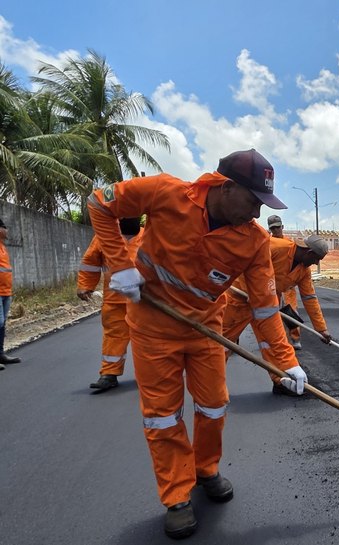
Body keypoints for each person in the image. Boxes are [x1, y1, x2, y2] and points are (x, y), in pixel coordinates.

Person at [87, 149, 307, 539]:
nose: (256, 214)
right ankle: (176, 496)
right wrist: (120, 266)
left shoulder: (254, 241)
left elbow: (264, 308)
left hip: (206, 327)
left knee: (213, 404)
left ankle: (206, 469)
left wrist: (285, 362)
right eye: (253, 201)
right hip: (154, 327)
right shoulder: (164, 193)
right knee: (163, 415)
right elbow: (99, 202)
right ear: (226, 187)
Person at [222, 231, 333, 395]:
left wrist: (321, 329)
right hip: (239, 299)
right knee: (221, 342)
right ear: (309, 253)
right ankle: (211, 384)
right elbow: (245, 260)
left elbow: (309, 298)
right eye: (316, 259)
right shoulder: (275, 246)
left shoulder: (303, 271)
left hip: (266, 306)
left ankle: (281, 380)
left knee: (272, 342)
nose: (316, 263)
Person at [77, 217, 143, 393]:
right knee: (114, 337)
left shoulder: (151, 235)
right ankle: (109, 374)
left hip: (145, 302)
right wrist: (85, 285)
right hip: (115, 300)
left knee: (148, 339)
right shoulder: (104, 237)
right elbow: (90, 262)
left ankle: (151, 374)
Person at [267, 214, 301, 348]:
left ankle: (295, 338)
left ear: (282, 227)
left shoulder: (290, 245)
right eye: (273, 228)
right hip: (271, 284)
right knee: (271, 313)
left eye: (277, 227)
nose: (276, 231)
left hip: (287, 284)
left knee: (291, 311)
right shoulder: (266, 244)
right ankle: (275, 340)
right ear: (270, 229)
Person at [0, 217, 22, 368]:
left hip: (5, 291)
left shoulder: (2, 247)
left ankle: (0, 354)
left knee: (2, 324)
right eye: (4, 228)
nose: (7, 231)